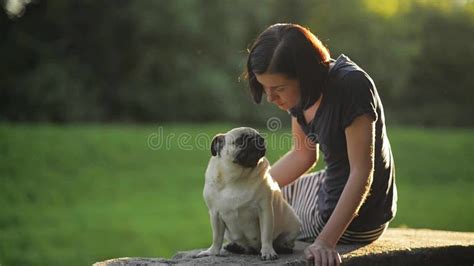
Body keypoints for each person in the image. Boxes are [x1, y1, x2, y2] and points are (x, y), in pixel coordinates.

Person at [244, 23, 397, 266]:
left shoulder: (352, 87)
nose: (271, 98)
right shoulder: (302, 94)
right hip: (330, 184)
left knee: (265, 215)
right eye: (264, 88)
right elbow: (302, 155)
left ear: (304, 76)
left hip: (359, 217)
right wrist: (247, 188)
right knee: (253, 202)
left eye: (279, 89)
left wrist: (326, 242)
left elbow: (362, 171)